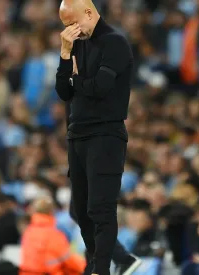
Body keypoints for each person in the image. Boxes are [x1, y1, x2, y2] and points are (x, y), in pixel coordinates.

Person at [55, 0, 140, 274]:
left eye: (72, 24)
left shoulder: (115, 43)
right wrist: (65, 55)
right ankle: (94, 262)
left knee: (100, 209)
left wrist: (75, 81)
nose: (70, 32)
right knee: (80, 211)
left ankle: (101, 269)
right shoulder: (76, 44)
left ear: (89, 13)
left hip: (105, 135)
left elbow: (100, 87)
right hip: (77, 134)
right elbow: (63, 92)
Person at [19, 196, 86, 275]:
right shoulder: (54, 234)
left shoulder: (28, 231)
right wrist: (85, 266)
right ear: (51, 211)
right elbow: (67, 259)